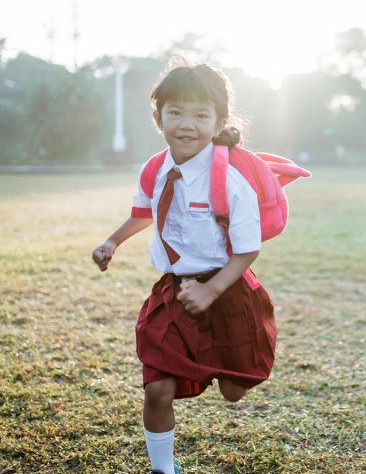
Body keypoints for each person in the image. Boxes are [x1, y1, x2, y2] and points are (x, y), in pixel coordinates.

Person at [92, 60, 276, 474]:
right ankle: (163, 469)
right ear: (158, 118)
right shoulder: (155, 169)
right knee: (157, 389)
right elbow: (144, 212)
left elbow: (248, 249)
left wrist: (211, 291)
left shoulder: (230, 180)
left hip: (228, 293)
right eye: (175, 112)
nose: (186, 124)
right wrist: (112, 241)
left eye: (200, 114)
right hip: (173, 291)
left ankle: (223, 371)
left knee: (232, 391)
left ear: (218, 121)